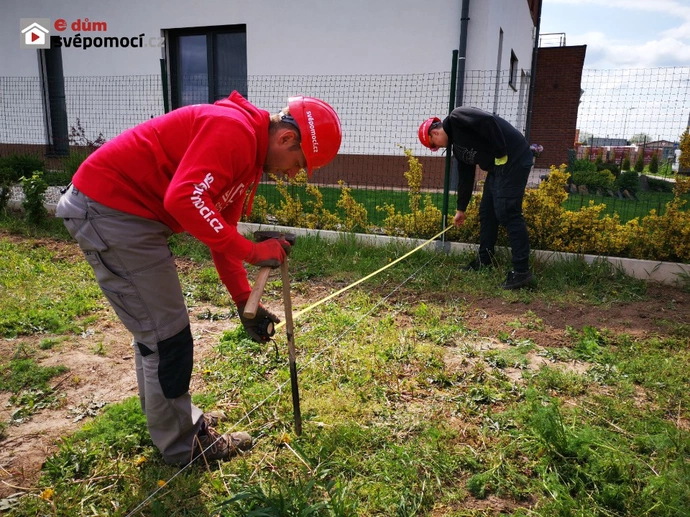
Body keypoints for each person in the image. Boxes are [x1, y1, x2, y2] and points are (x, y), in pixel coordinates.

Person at [55, 91, 342, 465]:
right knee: (166, 336)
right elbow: (184, 200)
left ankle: (172, 423)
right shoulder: (233, 132)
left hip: (127, 213)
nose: (292, 175)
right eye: (297, 164)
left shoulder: (247, 154)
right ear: (286, 138)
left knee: (160, 333)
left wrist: (244, 301)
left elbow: (222, 230)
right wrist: (255, 252)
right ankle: (184, 446)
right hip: (111, 210)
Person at [418, 107, 534, 290]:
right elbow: (465, 178)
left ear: (434, 133)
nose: (439, 147)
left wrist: (501, 153)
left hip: (515, 157)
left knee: (508, 212)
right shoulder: (458, 149)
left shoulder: (458, 117)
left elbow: (489, 121)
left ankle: (521, 272)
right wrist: (460, 209)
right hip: (498, 167)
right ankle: (484, 260)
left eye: (435, 144)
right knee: (487, 212)